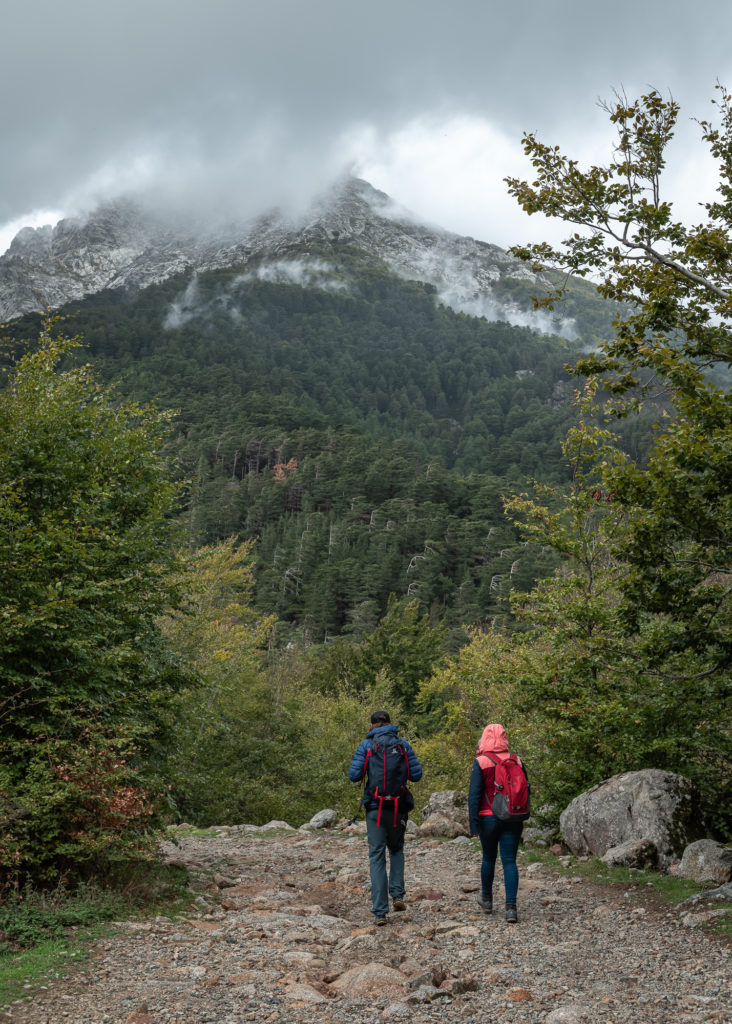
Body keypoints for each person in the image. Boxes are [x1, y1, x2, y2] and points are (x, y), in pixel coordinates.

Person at [348, 710, 422, 925]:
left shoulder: (367, 745)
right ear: (390, 723)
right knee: (397, 849)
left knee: (377, 855)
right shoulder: (403, 744)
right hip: (398, 806)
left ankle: (380, 911)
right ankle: (397, 895)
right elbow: (416, 775)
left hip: (375, 808)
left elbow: (354, 776)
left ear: (371, 725)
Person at [468, 723, 527, 923]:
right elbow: (525, 789)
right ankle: (511, 908)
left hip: (488, 817)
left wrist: (473, 824)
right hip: (512, 816)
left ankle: (487, 899)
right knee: (510, 861)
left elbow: (474, 796)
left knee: (489, 858)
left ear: (484, 738)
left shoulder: (481, 761)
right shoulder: (516, 759)